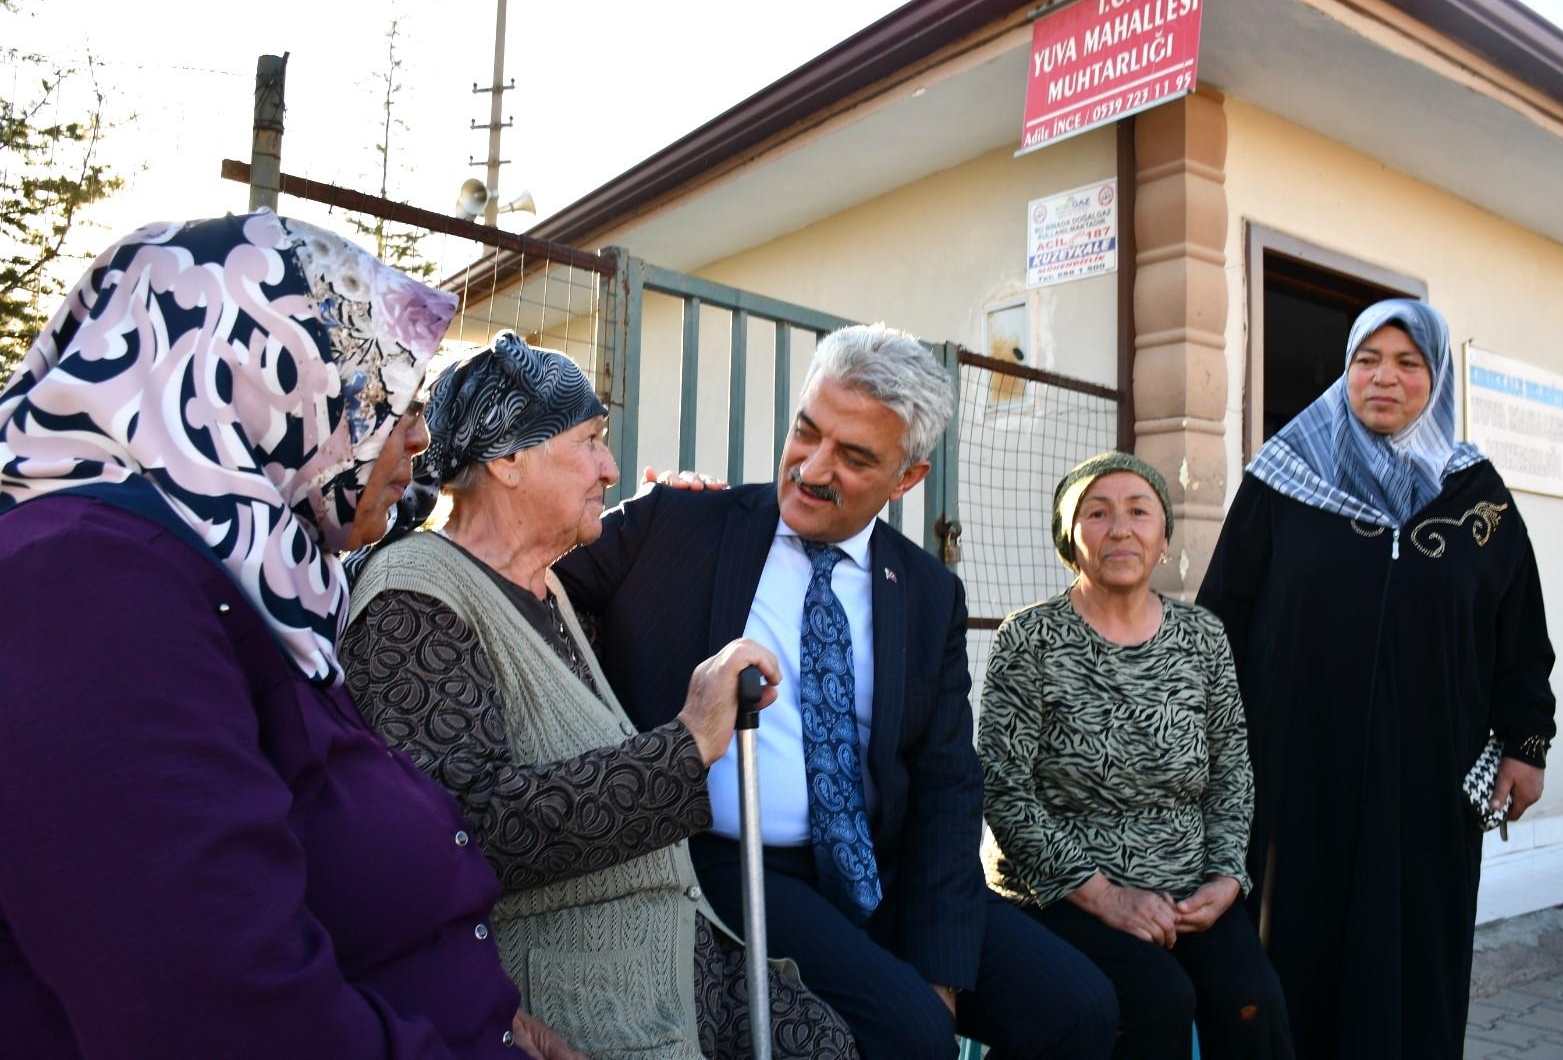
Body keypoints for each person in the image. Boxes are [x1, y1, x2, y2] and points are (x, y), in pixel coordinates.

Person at [0, 211, 551, 1057]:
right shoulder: (83, 584)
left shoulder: (252, 572)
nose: (416, 439)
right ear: (262, 374)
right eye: (385, 399)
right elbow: (210, 1010)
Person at [554, 324, 1119, 1060]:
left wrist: (941, 972)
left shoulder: (925, 591)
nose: (812, 469)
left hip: (873, 867)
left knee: (1079, 1007)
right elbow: (521, 575)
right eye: (806, 432)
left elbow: (947, 782)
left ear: (906, 478)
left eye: (853, 457)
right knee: (909, 1034)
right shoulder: (679, 522)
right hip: (731, 859)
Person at [340, 331, 858, 1060]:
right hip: (574, 989)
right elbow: (466, 827)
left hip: (674, 948)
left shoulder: (546, 583)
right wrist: (686, 743)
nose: (609, 467)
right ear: (507, 460)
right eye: (588, 441)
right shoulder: (414, 599)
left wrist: (682, 520)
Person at [1197, 299, 1557, 1058]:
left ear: (1436, 379)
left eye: (1407, 363)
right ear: (1345, 372)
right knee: (1291, 956)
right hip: (1293, 777)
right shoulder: (1281, 481)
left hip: (1427, 781)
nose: (1383, 379)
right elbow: (1217, 620)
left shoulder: (1477, 497)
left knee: (1414, 963)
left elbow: (1519, 634)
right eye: (1367, 361)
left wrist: (1526, 742)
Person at [979, 452, 1292, 1059]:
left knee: (1253, 1001)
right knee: (1156, 998)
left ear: (1164, 538)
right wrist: (1107, 897)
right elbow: (1003, 790)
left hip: (1184, 890)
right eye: (1096, 513)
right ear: (1069, 541)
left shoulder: (1203, 637)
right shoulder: (1029, 639)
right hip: (1064, 892)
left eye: (1139, 511)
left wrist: (1227, 876)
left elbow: (1232, 771)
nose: (1120, 528)